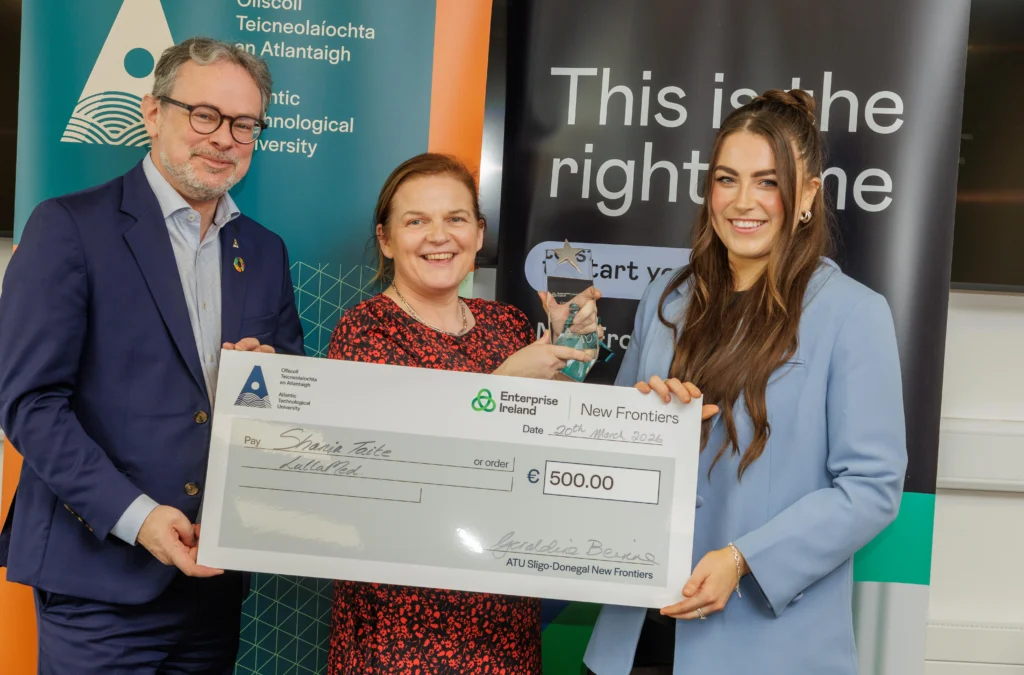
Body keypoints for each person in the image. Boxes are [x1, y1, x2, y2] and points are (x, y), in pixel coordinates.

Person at [0, 37, 304, 674]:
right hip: (97, 581)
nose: (224, 137)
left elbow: (285, 398)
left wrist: (266, 381)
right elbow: (31, 404)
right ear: (152, 112)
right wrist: (139, 520)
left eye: (244, 124)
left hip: (212, 581)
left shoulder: (266, 250)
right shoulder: (68, 227)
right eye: (205, 115)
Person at [583, 89, 907, 675]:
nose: (743, 201)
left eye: (768, 181)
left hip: (765, 645)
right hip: (634, 637)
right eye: (727, 179)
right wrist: (642, 420)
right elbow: (615, 452)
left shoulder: (853, 314)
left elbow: (872, 487)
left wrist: (743, 560)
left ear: (807, 194)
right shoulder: (666, 296)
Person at [325, 152, 600, 674]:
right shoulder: (365, 331)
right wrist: (500, 386)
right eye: (416, 221)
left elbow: (543, 454)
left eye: (455, 219)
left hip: (505, 618)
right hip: (403, 627)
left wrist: (571, 353)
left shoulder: (508, 325)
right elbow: (388, 480)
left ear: (478, 234)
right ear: (386, 239)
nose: (438, 236)